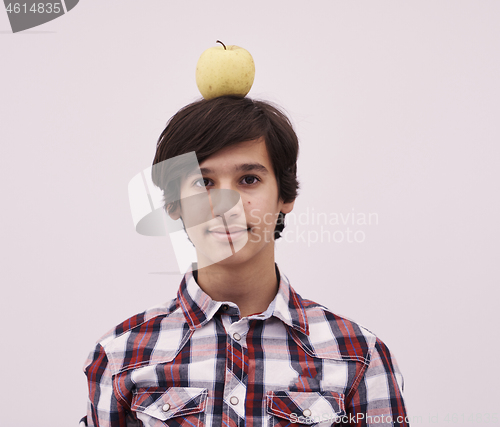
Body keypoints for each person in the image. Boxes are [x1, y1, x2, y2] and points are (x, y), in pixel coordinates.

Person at [81, 96, 409, 426]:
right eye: (203, 182)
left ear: (285, 195)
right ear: (173, 205)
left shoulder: (359, 357)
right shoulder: (120, 356)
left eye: (249, 179)